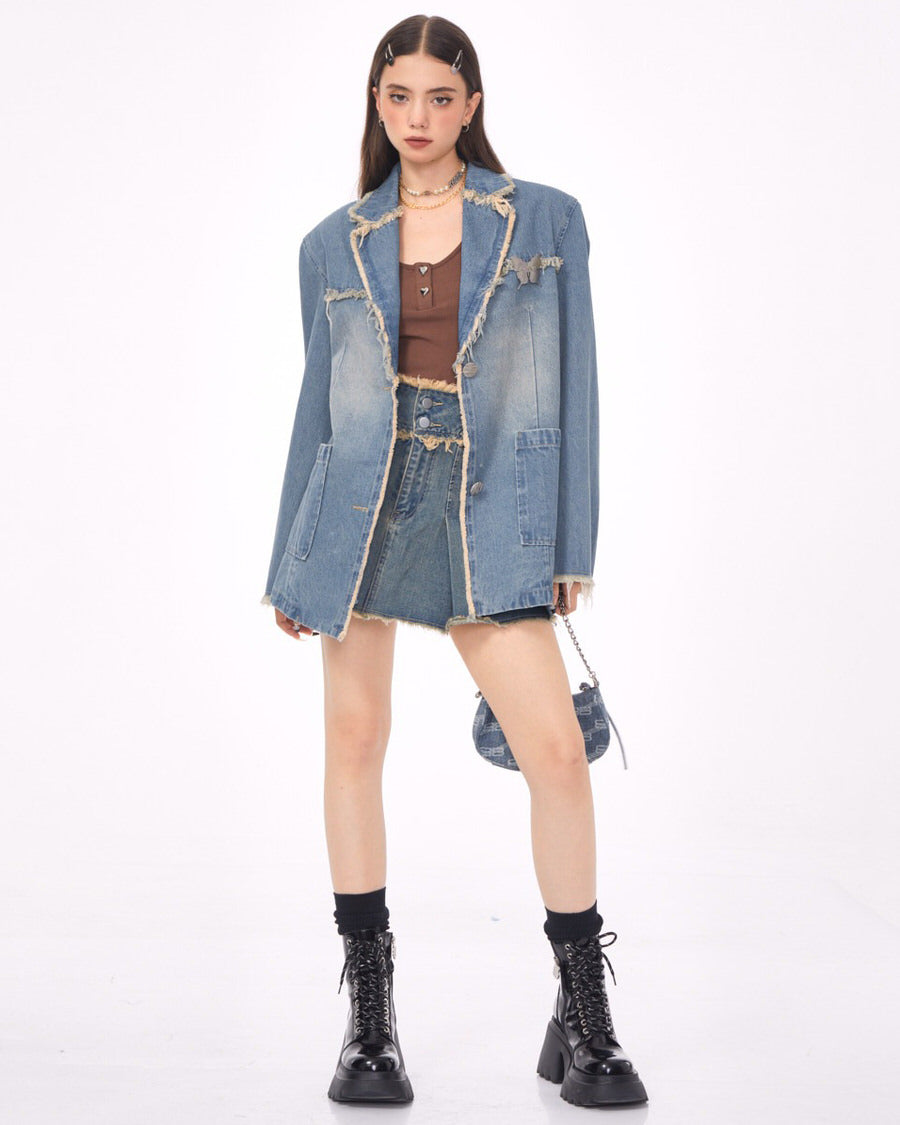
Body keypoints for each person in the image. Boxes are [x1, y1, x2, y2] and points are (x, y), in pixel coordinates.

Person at [261, 14, 648, 1109]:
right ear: (377, 105)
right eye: (400, 97)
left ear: (472, 105)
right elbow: (315, 408)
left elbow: (579, 384)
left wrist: (571, 544)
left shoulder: (545, 220)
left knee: (556, 753)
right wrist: (292, 558)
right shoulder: (331, 242)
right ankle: (370, 1024)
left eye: (440, 97)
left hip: (493, 500)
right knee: (354, 742)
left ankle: (584, 1013)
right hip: (360, 502)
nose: (419, 117)